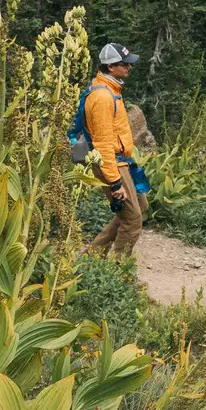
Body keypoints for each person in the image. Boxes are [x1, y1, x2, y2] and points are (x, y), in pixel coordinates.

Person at [86, 42, 146, 257]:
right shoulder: (102, 97)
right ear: (111, 67)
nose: (129, 68)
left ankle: (91, 256)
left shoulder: (110, 89)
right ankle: (119, 271)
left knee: (140, 202)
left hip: (121, 160)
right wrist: (115, 182)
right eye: (125, 64)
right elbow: (102, 143)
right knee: (132, 220)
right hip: (111, 163)